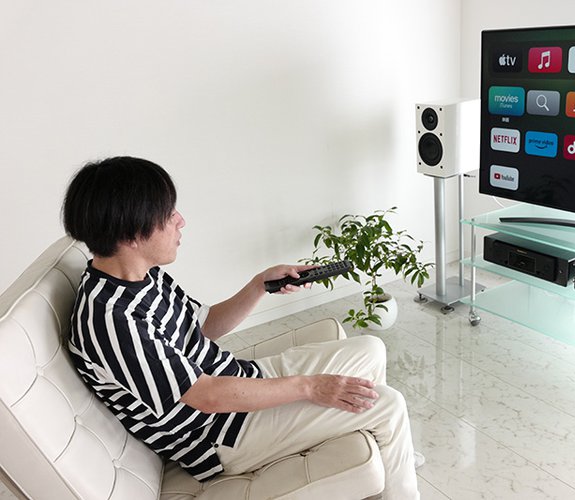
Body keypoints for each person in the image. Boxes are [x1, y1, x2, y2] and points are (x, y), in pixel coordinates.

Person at [62, 156, 420, 499]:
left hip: (240, 381)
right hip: (222, 434)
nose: (180, 220)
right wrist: (310, 387)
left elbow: (204, 326)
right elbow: (205, 396)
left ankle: (391, 455)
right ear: (131, 235)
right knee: (387, 405)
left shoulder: (143, 275)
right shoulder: (112, 320)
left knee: (371, 350)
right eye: (167, 215)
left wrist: (259, 284)